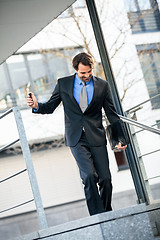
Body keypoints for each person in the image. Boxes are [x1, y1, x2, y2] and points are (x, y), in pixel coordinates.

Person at [26, 52, 127, 216]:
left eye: (89, 72)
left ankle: (106, 212)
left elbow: (111, 114)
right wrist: (37, 105)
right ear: (75, 70)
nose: (86, 76)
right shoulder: (64, 84)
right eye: (82, 73)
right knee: (88, 176)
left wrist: (119, 139)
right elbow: (50, 107)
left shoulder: (102, 85)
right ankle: (97, 216)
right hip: (76, 138)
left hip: (96, 137)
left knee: (106, 180)